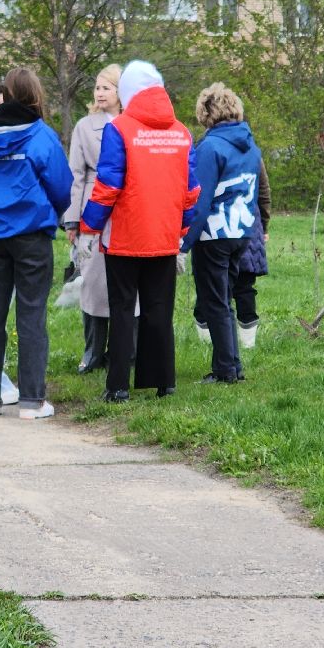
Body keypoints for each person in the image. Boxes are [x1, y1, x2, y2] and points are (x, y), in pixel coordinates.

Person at [82, 61, 199, 403]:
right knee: (159, 309)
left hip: (125, 237)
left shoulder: (120, 129)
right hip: (164, 237)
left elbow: (107, 185)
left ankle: (118, 386)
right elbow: (191, 191)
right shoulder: (182, 132)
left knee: (121, 309)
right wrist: (182, 231)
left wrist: (90, 227)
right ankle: (164, 381)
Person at [0, 67, 73, 419]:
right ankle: (32, 401)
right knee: (30, 314)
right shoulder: (41, 135)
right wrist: (47, 213)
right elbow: (61, 186)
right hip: (30, 235)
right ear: (36, 96)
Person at [182, 83, 262, 384]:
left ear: (207, 112)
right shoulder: (251, 146)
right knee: (224, 299)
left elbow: (199, 201)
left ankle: (225, 371)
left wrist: (184, 244)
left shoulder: (210, 147)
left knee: (215, 302)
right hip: (242, 231)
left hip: (214, 234)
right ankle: (233, 366)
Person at [64, 64, 122, 375]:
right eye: (97, 88)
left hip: (127, 211)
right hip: (94, 211)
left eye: (106, 88)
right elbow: (76, 174)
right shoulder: (85, 127)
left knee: (128, 286)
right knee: (93, 284)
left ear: (120, 92)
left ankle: (125, 351)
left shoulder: (132, 124)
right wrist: (73, 220)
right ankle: (93, 352)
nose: (99, 93)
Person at [196, 156, 270, 350]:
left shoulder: (210, 149)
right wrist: (264, 226)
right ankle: (246, 344)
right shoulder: (252, 153)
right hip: (247, 224)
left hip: (217, 226)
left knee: (211, 286)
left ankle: (212, 342)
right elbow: (263, 192)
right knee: (244, 285)